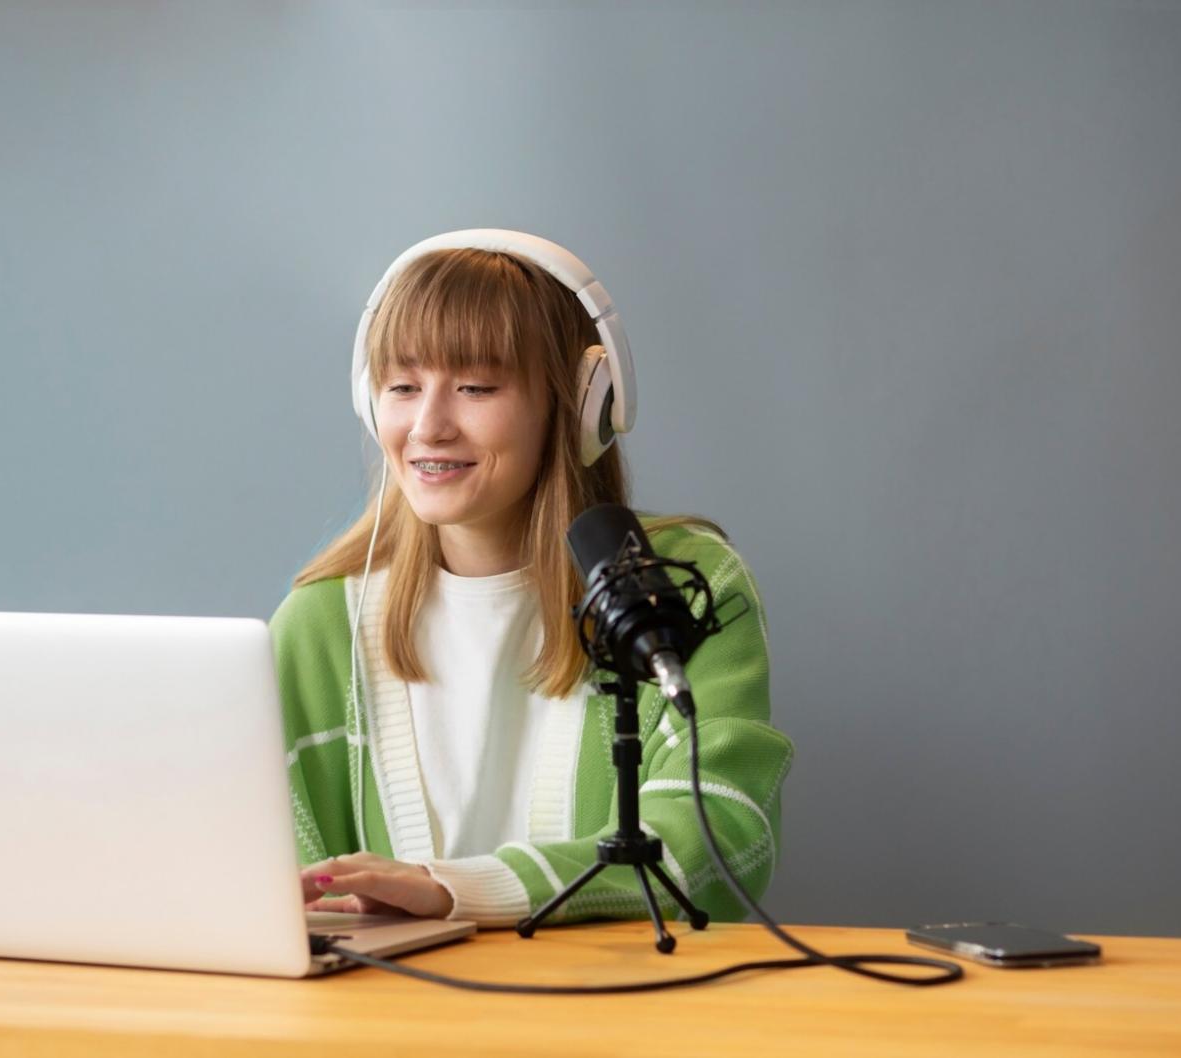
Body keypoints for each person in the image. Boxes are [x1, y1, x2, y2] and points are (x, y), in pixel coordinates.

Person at [270, 231, 793, 927]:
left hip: (622, 1016)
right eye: (402, 386)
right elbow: (255, 862)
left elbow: (727, 831)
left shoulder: (678, 590)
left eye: (475, 387)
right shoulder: (321, 621)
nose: (428, 426)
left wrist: (459, 889)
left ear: (582, 403)